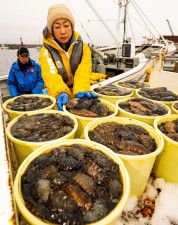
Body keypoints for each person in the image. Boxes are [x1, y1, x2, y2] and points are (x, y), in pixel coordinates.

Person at [39, 3, 98, 110]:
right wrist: (59, 91)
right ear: (51, 30)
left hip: (78, 93)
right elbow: (50, 74)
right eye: (57, 27)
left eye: (66, 25)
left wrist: (81, 89)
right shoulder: (46, 51)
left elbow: (83, 71)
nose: (62, 31)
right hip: (58, 96)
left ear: (72, 26)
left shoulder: (84, 48)